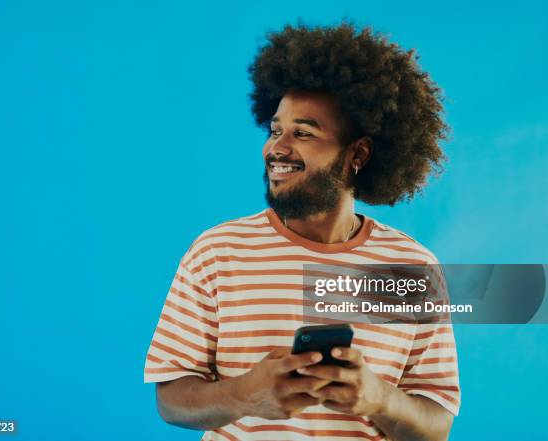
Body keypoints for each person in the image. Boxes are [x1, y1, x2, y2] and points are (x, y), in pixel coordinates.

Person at [145, 23, 460, 441]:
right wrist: (246, 395)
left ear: (358, 154)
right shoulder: (217, 252)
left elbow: (436, 427)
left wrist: (378, 398)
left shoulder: (413, 268)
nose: (277, 147)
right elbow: (170, 401)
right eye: (275, 130)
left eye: (303, 133)